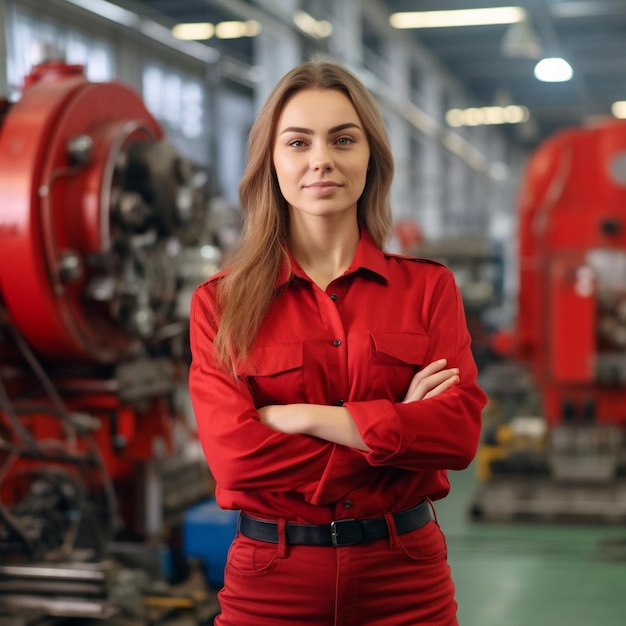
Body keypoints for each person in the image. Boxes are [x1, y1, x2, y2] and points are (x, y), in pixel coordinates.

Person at [188, 58, 487, 626]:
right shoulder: (220, 304)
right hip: (272, 581)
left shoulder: (428, 288)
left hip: (405, 580)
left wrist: (302, 417)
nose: (321, 158)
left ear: (369, 156)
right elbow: (236, 459)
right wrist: (396, 427)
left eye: (342, 139)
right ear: (270, 161)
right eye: (298, 142)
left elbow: (457, 433)